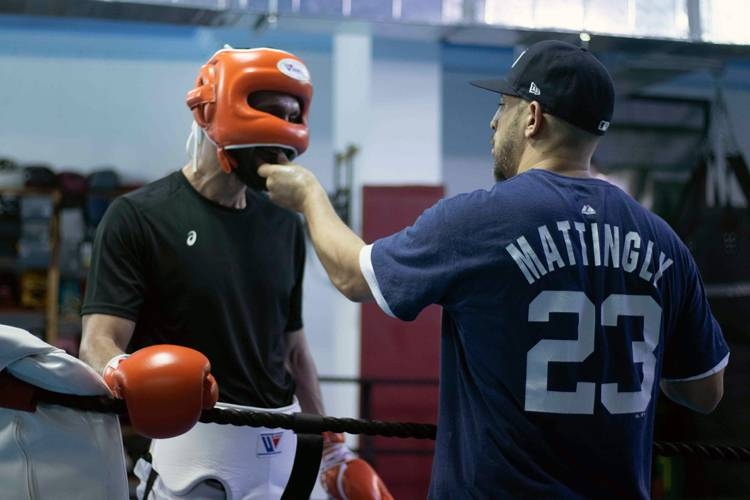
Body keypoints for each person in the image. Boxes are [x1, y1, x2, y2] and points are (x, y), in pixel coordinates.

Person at [259, 40, 730, 499]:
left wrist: (309, 197)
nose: (491, 122)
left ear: (532, 118)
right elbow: (704, 392)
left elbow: (352, 276)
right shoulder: (664, 241)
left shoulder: (481, 221)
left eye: (503, 107)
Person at [79, 46, 390, 499]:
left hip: (284, 452)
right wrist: (122, 371)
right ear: (210, 111)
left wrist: (331, 447)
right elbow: (97, 342)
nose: (282, 126)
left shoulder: (284, 223)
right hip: (192, 451)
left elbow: (294, 349)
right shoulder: (138, 218)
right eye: (268, 108)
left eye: (292, 111)